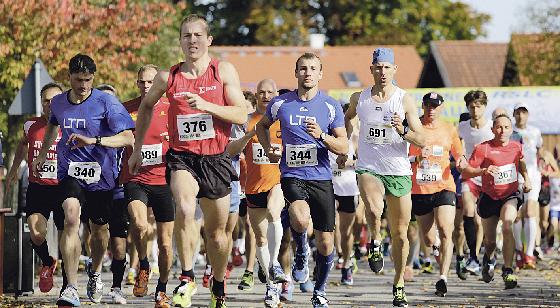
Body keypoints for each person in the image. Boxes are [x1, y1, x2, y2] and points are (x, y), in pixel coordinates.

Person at [128, 14, 247, 308]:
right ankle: (187, 276)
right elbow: (145, 106)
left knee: (218, 236)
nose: (192, 41)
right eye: (186, 36)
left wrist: (207, 105)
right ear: (180, 41)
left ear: (208, 40)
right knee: (183, 205)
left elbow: (242, 114)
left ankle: (218, 282)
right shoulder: (169, 77)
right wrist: (137, 147)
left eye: (197, 35)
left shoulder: (223, 71)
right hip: (182, 157)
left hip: (217, 159)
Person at [32, 54, 135, 307]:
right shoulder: (58, 103)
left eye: (88, 80)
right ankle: (70, 287)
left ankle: (96, 272)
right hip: (71, 172)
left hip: (102, 177)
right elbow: (53, 127)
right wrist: (43, 155)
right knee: (70, 217)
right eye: (79, 80)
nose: (84, 86)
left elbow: (128, 138)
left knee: (99, 232)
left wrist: (95, 141)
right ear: (69, 78)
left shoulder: (106, 103)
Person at [256, 52, 348, 308]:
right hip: (292, 175)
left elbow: (343, 145)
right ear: (296, 73)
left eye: (313, 68)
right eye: (303, 68)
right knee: (299, 218)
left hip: (321, 177)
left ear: (321, 74)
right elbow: (261, 126)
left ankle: (319, 290)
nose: (307, 73)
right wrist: (268, 148)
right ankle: (301, 250)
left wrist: (322, 136)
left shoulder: (330, 106)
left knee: (327, 242)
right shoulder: (281, 103)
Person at [342, 47, 425, 307]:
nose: (382, 72)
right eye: (378, 67)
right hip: (369, 166)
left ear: (394, 70)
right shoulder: (360, 98)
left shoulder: (404, 100)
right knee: (375, 209)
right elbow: (346, 120)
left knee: (400, 234)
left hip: (398, 171)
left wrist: (402, 130)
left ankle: (398, 284)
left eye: (387, 67)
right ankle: (375, 241)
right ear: (371, 70)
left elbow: (421, 139)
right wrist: (346, 148)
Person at [228, 79, 288, 307]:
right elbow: (230, 150)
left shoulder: (284, 120)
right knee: (261, 238)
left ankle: (274, 264)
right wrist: (247, 135)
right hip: (253, 186)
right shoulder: (246, 121)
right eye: (261, 92)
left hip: (278, 182)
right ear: (256, 95)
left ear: (276, 94)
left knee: (274, 212)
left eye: (270, 92)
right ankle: (271, 287)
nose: (265, 96)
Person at [120, 64, 175, 307]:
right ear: (136, 83)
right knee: (140, 224)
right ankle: (143, 263)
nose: (146, 86)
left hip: (164, 180)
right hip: (135, 178)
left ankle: (162, 288)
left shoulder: (172, 108)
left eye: (151, 82)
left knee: (165, 244)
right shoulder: (126, 109)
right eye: (142, 81)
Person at [5, 83, 65, 294]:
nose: (50, 104)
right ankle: (48, 262)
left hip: (63, 189)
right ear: (41, 103)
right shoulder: (30, 125)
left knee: (67, 236)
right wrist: (14, 169)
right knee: (37, 235)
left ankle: (68, 284)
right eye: (46, 100)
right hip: (38, 188)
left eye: (55, 100)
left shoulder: (70, 125)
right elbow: (23, 144)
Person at [459, 114, 531, 289]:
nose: (502, 131)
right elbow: (467, 172)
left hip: (510, 194)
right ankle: (488, 259)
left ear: (511, 130)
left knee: (507, 225)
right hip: (489, 197)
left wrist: (526, 178)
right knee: (490, 242)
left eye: (506, 127)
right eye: (499, 127)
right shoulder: (483, 148)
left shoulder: (516, 147)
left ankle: (508, 270)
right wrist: (483, 171)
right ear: (492, 130)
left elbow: (521, 162)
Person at [409, 92, 465, 296]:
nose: (431, 109)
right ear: (422, 106)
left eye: (435, 106)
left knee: (445, 228)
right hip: (420, 189)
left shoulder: (449, 129)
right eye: (428, 105)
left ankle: (443, 278)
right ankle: (436, 248)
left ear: (441, 108)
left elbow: (459, 155)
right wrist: (415, 159)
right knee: (429, 239)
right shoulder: (413, 127)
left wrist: (461, 161)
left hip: (444, 186)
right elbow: (400, 158)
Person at [457, 90, 494, 276]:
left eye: (478, 106)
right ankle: (472, 256)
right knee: (468, 211)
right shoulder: (462, 127)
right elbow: (456, 147)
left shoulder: (492, 127)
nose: (475, 110)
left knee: (482, 222)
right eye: (471, 107)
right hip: (470, 175)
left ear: (484, 107)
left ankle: (483, 255)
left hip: (489, 177)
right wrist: (460, 157)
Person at [330, 102, 359, 286]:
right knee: (328, 226)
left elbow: (363, 161)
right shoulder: (327, 135)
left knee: (346, 232)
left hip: (348, 188)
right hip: (329, 186)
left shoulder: (355, 137)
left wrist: (348, 163)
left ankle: (347, 262)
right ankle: (329, 258)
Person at [512, 102, 543, 268]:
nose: (521, 116)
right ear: (514, 114)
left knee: (530, 212)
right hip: (514, 175)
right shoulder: (510, 132)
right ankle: (518, 250)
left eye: (524, 112)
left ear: (528, 114)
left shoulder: (535, 132)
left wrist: (542, 166)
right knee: (516, 214)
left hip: (532, 175)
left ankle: (529, 254)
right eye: (518, 112)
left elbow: (539, 151)